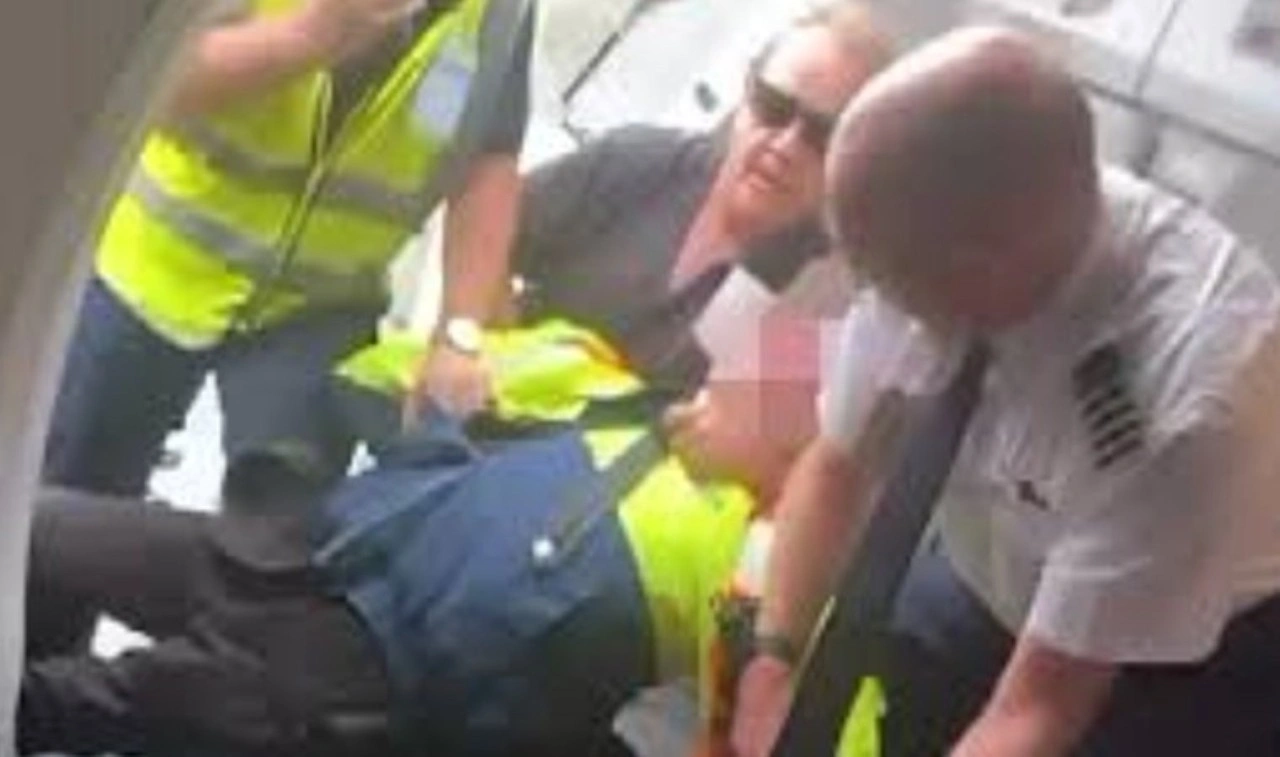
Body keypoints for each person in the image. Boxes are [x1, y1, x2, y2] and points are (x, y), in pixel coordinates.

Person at [731, 28, 1280, 757]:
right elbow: (838, 466)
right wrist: (772, 661)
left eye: (882, 279)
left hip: (1171, 653)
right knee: (900, 693)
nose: (871, 298)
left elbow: (1037, 710)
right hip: (998, 562)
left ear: (976, 271)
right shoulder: (940, 224)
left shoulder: (1181, 413)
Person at [19, 317, 842, 756]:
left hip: (348, 683)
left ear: (805, 458)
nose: (712, 392)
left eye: (752, 397)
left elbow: (799, 721)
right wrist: (456, 349)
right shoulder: (604, 384)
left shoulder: (761, 563)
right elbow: (382, 370)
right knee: (36, 526)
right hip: (291, 548)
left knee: (56, 704)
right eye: (727, 374)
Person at [43, 0, 535, 496]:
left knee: (283, 523)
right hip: (154, 270)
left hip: (320, 308)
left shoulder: (501, 11)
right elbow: (131, 85)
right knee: (67, 499)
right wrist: (309, 36)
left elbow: (488, 159)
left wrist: (458, 337)